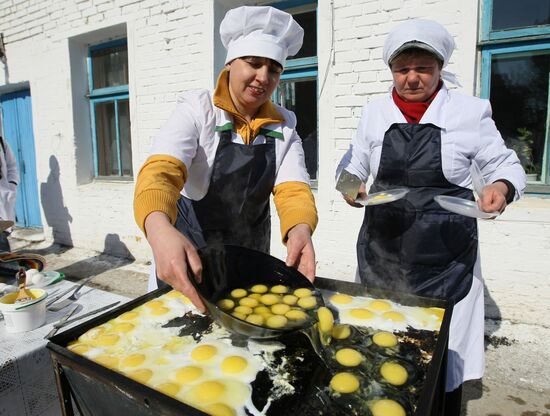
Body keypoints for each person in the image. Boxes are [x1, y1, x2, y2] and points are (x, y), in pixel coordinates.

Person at [336, 19, 526, 415]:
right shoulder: (373, 112)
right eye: (402, 69)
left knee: (441, 354)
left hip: (447, 256)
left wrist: (501, 188)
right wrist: (350, 186)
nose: (412, 78)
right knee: (381, 344)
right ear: (392, 71)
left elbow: (504, 163)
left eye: (422, 68)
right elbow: (352, 164)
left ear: (439, 69)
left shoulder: (470, 112)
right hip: (383, 249)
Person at [134, 6, 318, 311]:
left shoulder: (284, 126)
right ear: (231, 63)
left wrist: (300, 229)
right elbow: (161, 172)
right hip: (190, 263)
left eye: (274, 69)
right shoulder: (199, 110)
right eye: (254, 63)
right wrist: (157, 227)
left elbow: (293, 189)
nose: (263, 77)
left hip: (248, 270)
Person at [0, 136, 19, 252]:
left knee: (3, 235)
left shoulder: (2, 143)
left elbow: (12, 166)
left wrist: (12, 184)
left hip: (3, 196)